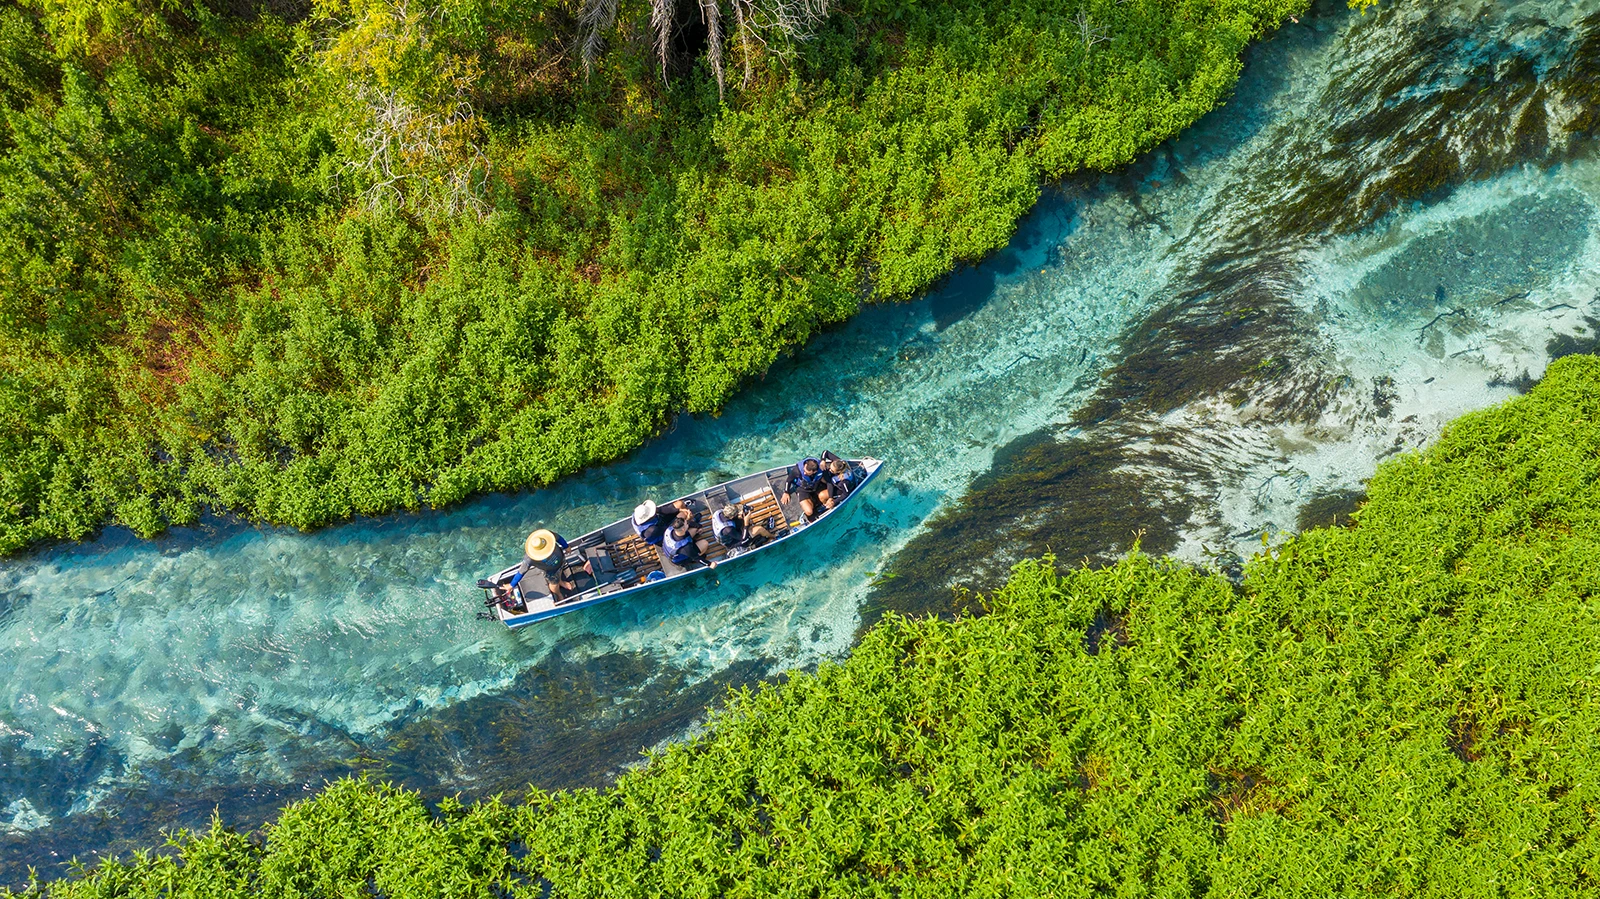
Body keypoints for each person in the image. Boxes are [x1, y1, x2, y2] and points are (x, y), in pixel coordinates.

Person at [512, 528, 591, 603]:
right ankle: (558, 594)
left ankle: (561, 582)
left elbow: (559, 538)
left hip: (561, 561)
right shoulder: (529, 558)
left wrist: (566, 546)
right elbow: (521, 572)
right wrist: (512, 585)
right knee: (554, 583)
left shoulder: (548, 536)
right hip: (551, 571)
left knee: (559, 574)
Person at [782, 457, 833, 522]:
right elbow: (789, 480)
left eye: (807, 473)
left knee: (826, 495)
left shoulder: (821, 468)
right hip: (803, 489)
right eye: (804, 470)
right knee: (809, 511)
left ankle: (823, 506)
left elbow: (829, 482)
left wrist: (830, 498)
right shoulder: (798, 470)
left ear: (815, 472)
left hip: (816, 485)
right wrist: (786, 492)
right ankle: (812, 506)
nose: (804, 473)